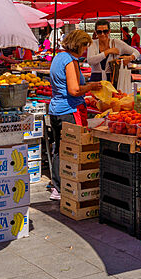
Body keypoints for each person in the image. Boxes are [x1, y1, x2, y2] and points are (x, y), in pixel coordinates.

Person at [46, 30, 102, 200]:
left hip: (55, 110)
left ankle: (58, 186)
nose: (85, 50)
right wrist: (91, 87)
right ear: (78, 45)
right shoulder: (71, 61)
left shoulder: (58, 57)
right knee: (72, 150)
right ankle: (65, 186)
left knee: (59, 149)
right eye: (85, 46)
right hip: (69, 111)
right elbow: (75, 90)